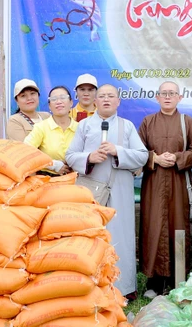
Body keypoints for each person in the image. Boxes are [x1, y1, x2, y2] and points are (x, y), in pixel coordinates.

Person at [66, 84, 148, 298]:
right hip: (93, 189)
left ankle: (124, 287)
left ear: (118, 101)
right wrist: (89, 158)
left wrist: (117, 151)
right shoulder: (84, 125)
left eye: (111, 96)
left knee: (121, 234)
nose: (106, 99)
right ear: (95, 101)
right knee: (92, 235)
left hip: (120, 188)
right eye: (101, 96)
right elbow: (71, 155)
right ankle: (91, 286)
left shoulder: (127, 126)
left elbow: (142, 156)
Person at [137, 81, 192, 298]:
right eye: (163, 93)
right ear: (157, 97)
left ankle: (178, 279)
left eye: (172, 93)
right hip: (154, 182)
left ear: (179, 97)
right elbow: (137, 152)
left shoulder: (187, 121)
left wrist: (176, 158)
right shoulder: (148, 122)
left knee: (178, 226)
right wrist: (154, 158)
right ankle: (154, 281)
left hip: (178, 181)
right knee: (153, 226)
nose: (167, 97)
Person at [24, 86, 78, 173]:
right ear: (49, 106)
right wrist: (52, 165)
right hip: (48, 180)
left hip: (77, 180)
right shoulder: (41, 127)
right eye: (54, 99)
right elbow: (25, 151)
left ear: (71, 103)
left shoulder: (80, 128)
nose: (59, 102)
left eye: (63, 98)